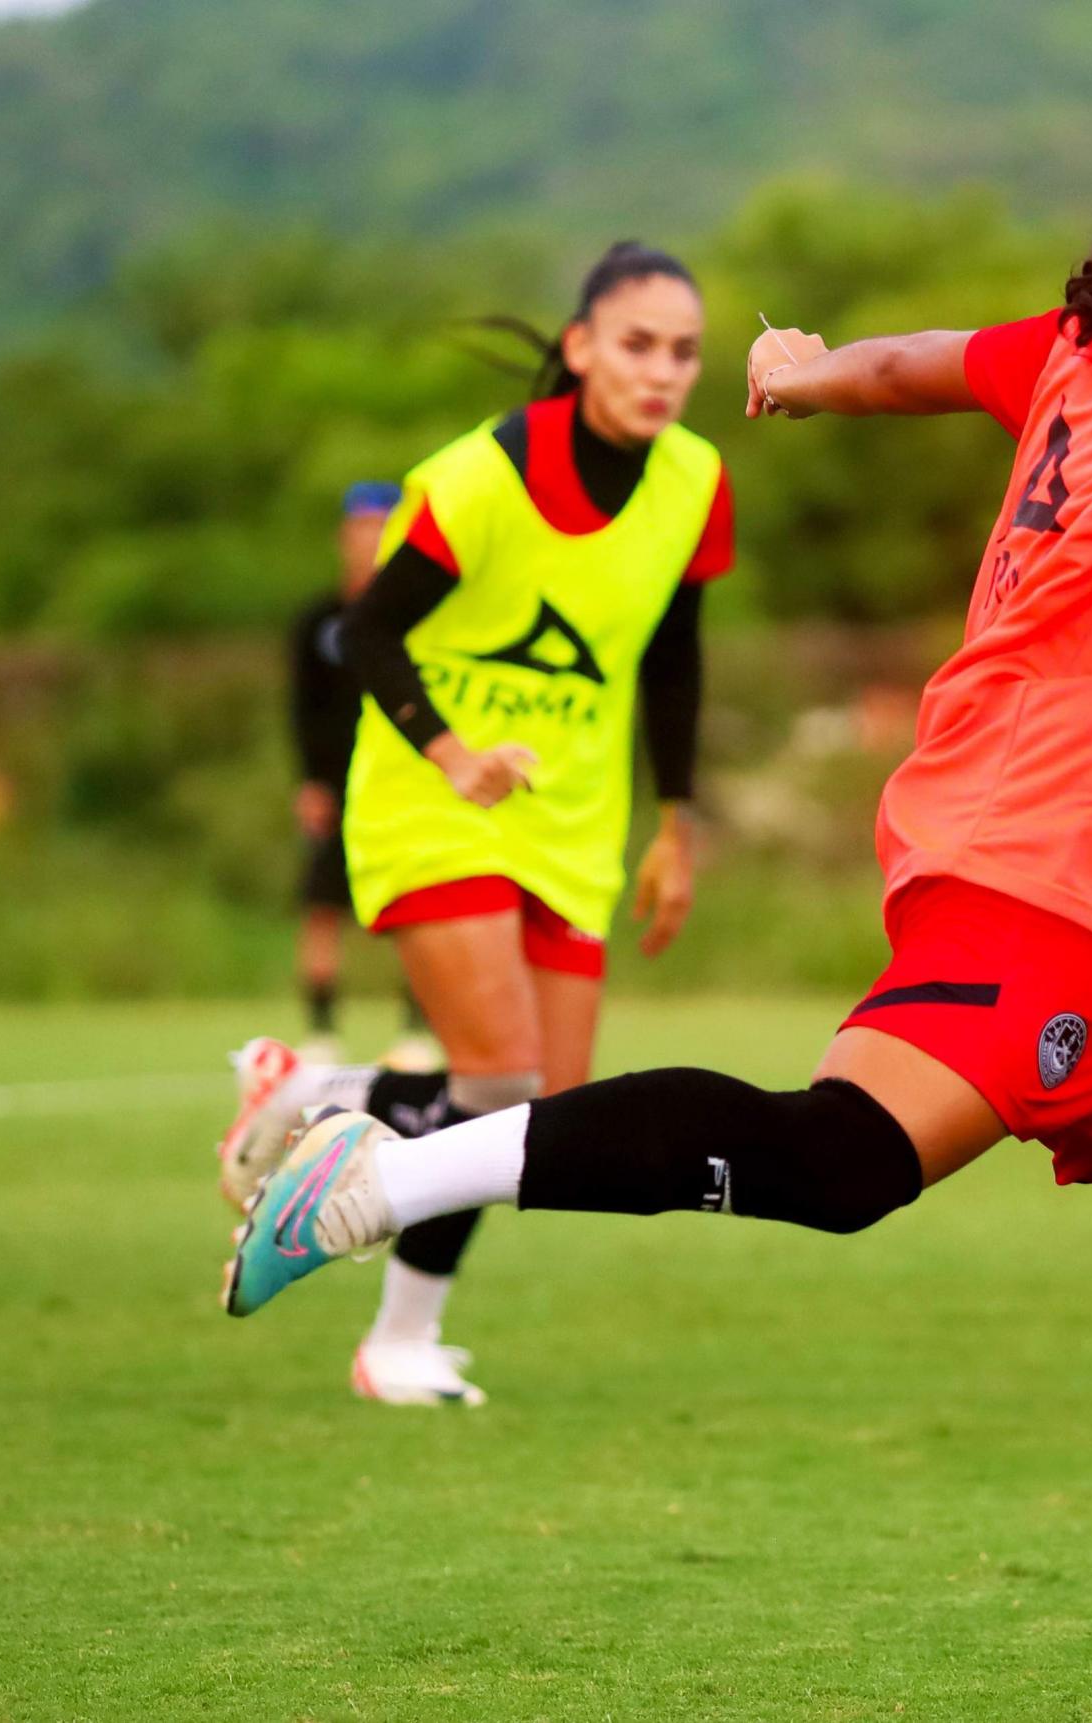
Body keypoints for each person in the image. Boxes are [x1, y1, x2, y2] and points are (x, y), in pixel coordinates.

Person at [223, 118, 1092, 1602]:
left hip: (1069, 901)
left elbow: (927, 362)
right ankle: (382, 1176)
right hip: (1057, 868)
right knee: (841, 1158)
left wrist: (808, 373)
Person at [216, 241, 735, 1406]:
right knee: (497, 1091)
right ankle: (396, 1341)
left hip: (569, 817)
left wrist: (677, 825)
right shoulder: (481, 473)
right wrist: (452, 753)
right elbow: (365, 635)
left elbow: (675, 654)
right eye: (637, 344)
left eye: (684, 351)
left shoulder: (695, 479)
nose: (661, 371)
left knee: (545, 1117)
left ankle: (324, 1096)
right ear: (582, 344)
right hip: (429, 794)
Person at [285, 482, 437, 1066]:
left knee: (418, 902)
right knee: (323, 905)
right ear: (343, 537)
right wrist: (312, 782)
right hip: (340, 785)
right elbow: (302, 708)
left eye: (382, 528)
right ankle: (322, 1031)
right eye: (361, 529)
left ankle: (414, 1032)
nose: (369, 541)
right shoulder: (317, 621)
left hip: (408, 780)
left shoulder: (418, 615)